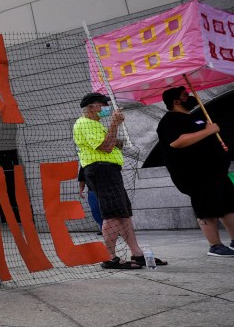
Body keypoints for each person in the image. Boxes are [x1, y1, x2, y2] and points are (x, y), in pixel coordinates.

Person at [74, 92, 164, 269]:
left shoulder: (95, 124)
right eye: (103, 105)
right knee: (112, 214)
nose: (107, 108)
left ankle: (137, 253)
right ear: (92, 107)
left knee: (123, 214)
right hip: (102, 169)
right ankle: (109, 257)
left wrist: (113, 136)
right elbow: (107, 146)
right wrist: (114, 125)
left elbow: (114, 143)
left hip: (109, 169)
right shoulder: (85, 123)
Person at [157, 86, 234, 257]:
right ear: (176, 101)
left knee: (228, 205)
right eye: (185, 96)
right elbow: (177, 142)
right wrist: (209, 131)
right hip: (196, 175)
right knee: (207, 208)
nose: (190, 97)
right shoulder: (169, 121)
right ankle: (215, 245)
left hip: (216, 172)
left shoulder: (195, 117)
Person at [77, 165, 102, 234]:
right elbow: (82, 178)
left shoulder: (104, 160)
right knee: (95, 210)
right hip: (92, 191)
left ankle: (113, 228)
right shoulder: (85, 163)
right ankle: (103, 227)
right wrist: (81, 190)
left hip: (107, 189)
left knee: (110, 209)